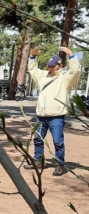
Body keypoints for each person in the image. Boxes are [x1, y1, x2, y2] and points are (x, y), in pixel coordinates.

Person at [25, 46, 80, 176]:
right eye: (49, 66)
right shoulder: (43, 75)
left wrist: (71, 56)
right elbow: (32, 69)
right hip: (41, 115)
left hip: (57, 117)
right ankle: (37, 160)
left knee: (58, 142)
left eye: (52, 66)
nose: (49, 68)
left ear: (59, 66)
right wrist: (32, 57)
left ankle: (59, 164)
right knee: (38, 139)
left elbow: (75, 71)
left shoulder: (66, 78)